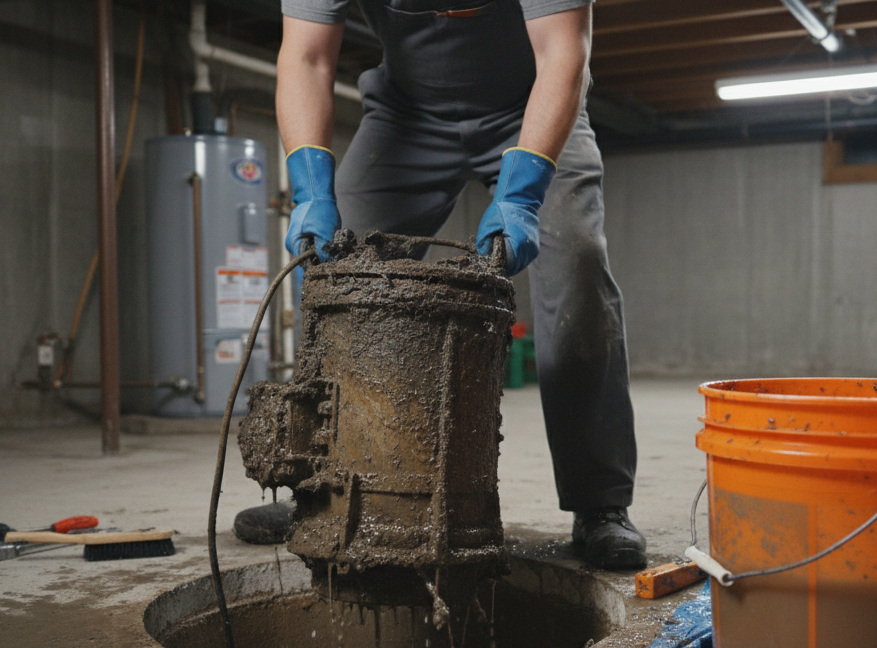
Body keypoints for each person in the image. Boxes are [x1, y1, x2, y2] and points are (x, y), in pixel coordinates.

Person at [270, 0, 644, 569]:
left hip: (532, 106)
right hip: (404, 118)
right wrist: (310, 191)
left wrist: (521, 192)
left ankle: (600, 504)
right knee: (340, 272)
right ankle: (321, 490)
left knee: (579, 266)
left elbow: (563, 54)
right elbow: (306, 57)